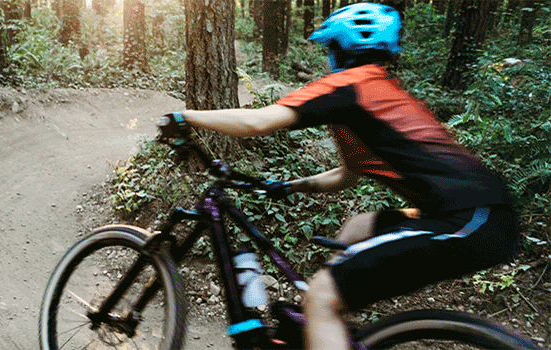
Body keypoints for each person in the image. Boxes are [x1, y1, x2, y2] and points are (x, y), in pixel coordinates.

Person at [167, 3, 521, 349]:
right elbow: (349, 174)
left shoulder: (348, 84)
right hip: (476, 213)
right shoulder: (375, 93)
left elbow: (256, 122)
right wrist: (286, 187)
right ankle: (328, 324)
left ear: (338, 49)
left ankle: (324, 309)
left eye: (329, 49)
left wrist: (186, 117)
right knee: (357, 228)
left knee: (321, 297)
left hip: (469, 217)